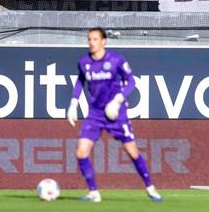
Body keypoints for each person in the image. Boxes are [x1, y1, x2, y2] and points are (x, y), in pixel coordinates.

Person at [66, 27, 163, 203]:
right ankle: (93, 193)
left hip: (116, 113)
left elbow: (131, 81)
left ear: (104, 41)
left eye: (95, 39)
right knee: (81, 152)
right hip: (95, 114)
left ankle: (151, 188)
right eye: (89, 39)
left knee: (131, 150)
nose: (91, 42)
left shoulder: (116, 60)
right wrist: (73, 103)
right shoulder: (84, 62)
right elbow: (80, 81)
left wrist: (119, 99)